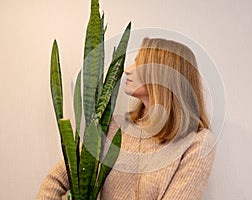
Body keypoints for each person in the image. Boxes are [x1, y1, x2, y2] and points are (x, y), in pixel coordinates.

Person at [37, 37, 216, 200]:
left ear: (161, 76)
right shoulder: (114, 127)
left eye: (139, 64)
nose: (127, 71)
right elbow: (55, 180)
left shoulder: (197, 143)